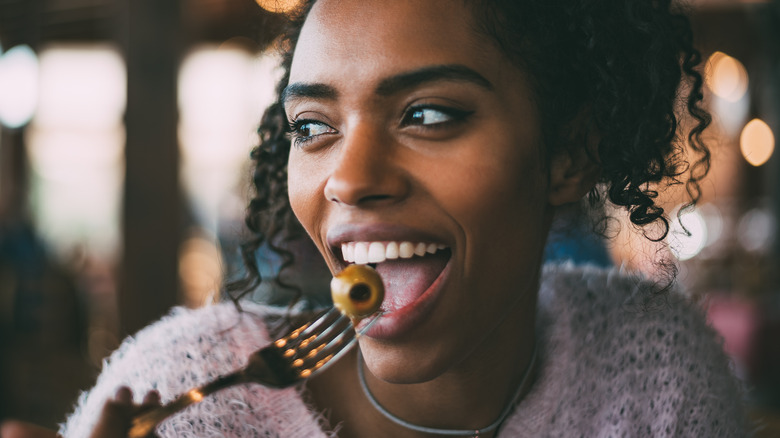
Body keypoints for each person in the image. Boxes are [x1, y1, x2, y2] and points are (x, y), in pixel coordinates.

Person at [52, 0, 751, 436]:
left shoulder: (652, 371)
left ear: (568, 154)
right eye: (312, 127)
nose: (349, 180)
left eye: (428, 115)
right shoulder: (181, 400)